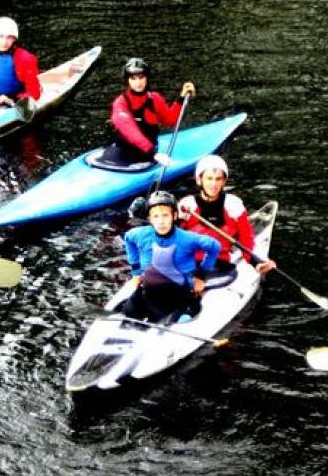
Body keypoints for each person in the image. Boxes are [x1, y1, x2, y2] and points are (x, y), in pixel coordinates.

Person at [119, 190, 221, 323]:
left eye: (165, 215)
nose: (161, 221)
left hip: (179, 294)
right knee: (128, 312)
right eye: (156, 216)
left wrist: (201, 276)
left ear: (174, 216)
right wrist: (136, 272)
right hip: (149, 292)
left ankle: (187, 309)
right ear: (149, 218)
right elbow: (128, 240)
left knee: (183, 319)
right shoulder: (139, 234)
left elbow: (214, 246)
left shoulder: (187, 239)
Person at [177, 155, 277, 276]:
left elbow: (246, 241)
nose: (214, 184)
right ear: (200, 180)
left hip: (220, 267)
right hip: (190, 265)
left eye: (218, 179)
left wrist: (257, 262)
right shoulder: (187, 206)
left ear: (224, 181)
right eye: (209, 178)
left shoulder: (234, 205)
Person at [99, 57, 196, 167]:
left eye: (141, 77)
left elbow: (170, 120)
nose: (138, 82)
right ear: (128, 80)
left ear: (147, 78)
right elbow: (129, 130)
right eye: (133, 78)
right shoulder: (120, 103)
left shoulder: (155, 99)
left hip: (146, 156)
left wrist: (181, 99)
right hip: (125, 151)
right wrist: (153, 153)